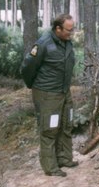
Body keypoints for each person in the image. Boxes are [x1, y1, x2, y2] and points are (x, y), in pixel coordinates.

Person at [21, 14, 77, 177]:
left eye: (72, 29)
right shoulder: (43, 43)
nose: (71, 32)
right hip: (47, 94)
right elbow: (27, 68)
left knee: (67, 123)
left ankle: (65, 158)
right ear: (58, 28)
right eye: (68, 29)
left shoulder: (66, 42)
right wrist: (35, 87)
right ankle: (50, 167)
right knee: (49, 129)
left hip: (64, 91)